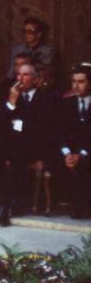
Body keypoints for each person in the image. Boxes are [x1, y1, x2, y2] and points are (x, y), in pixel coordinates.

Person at [0, 62, 61, 226]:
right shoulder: (11, 94)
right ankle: (12, 202)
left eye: (25, 75)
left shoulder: (48, 97)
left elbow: (44, 128)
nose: (20, 78)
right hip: (14, 144)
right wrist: (11, 101)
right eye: (18, 74)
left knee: (16, 154)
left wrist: (18, 124)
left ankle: (6, 204)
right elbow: (0, 123)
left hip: (38, 145)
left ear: (36, 78)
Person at [54, 64, 90, 219]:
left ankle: (81, 207)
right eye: (74, 81)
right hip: (69, 150)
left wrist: (80, 154)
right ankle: (63, 202)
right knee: (52, 160)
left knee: (84, 165)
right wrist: (67, 153)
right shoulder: (66, 103)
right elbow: (59, 132)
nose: (76, 86)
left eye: (81, 82)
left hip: (87, 150)